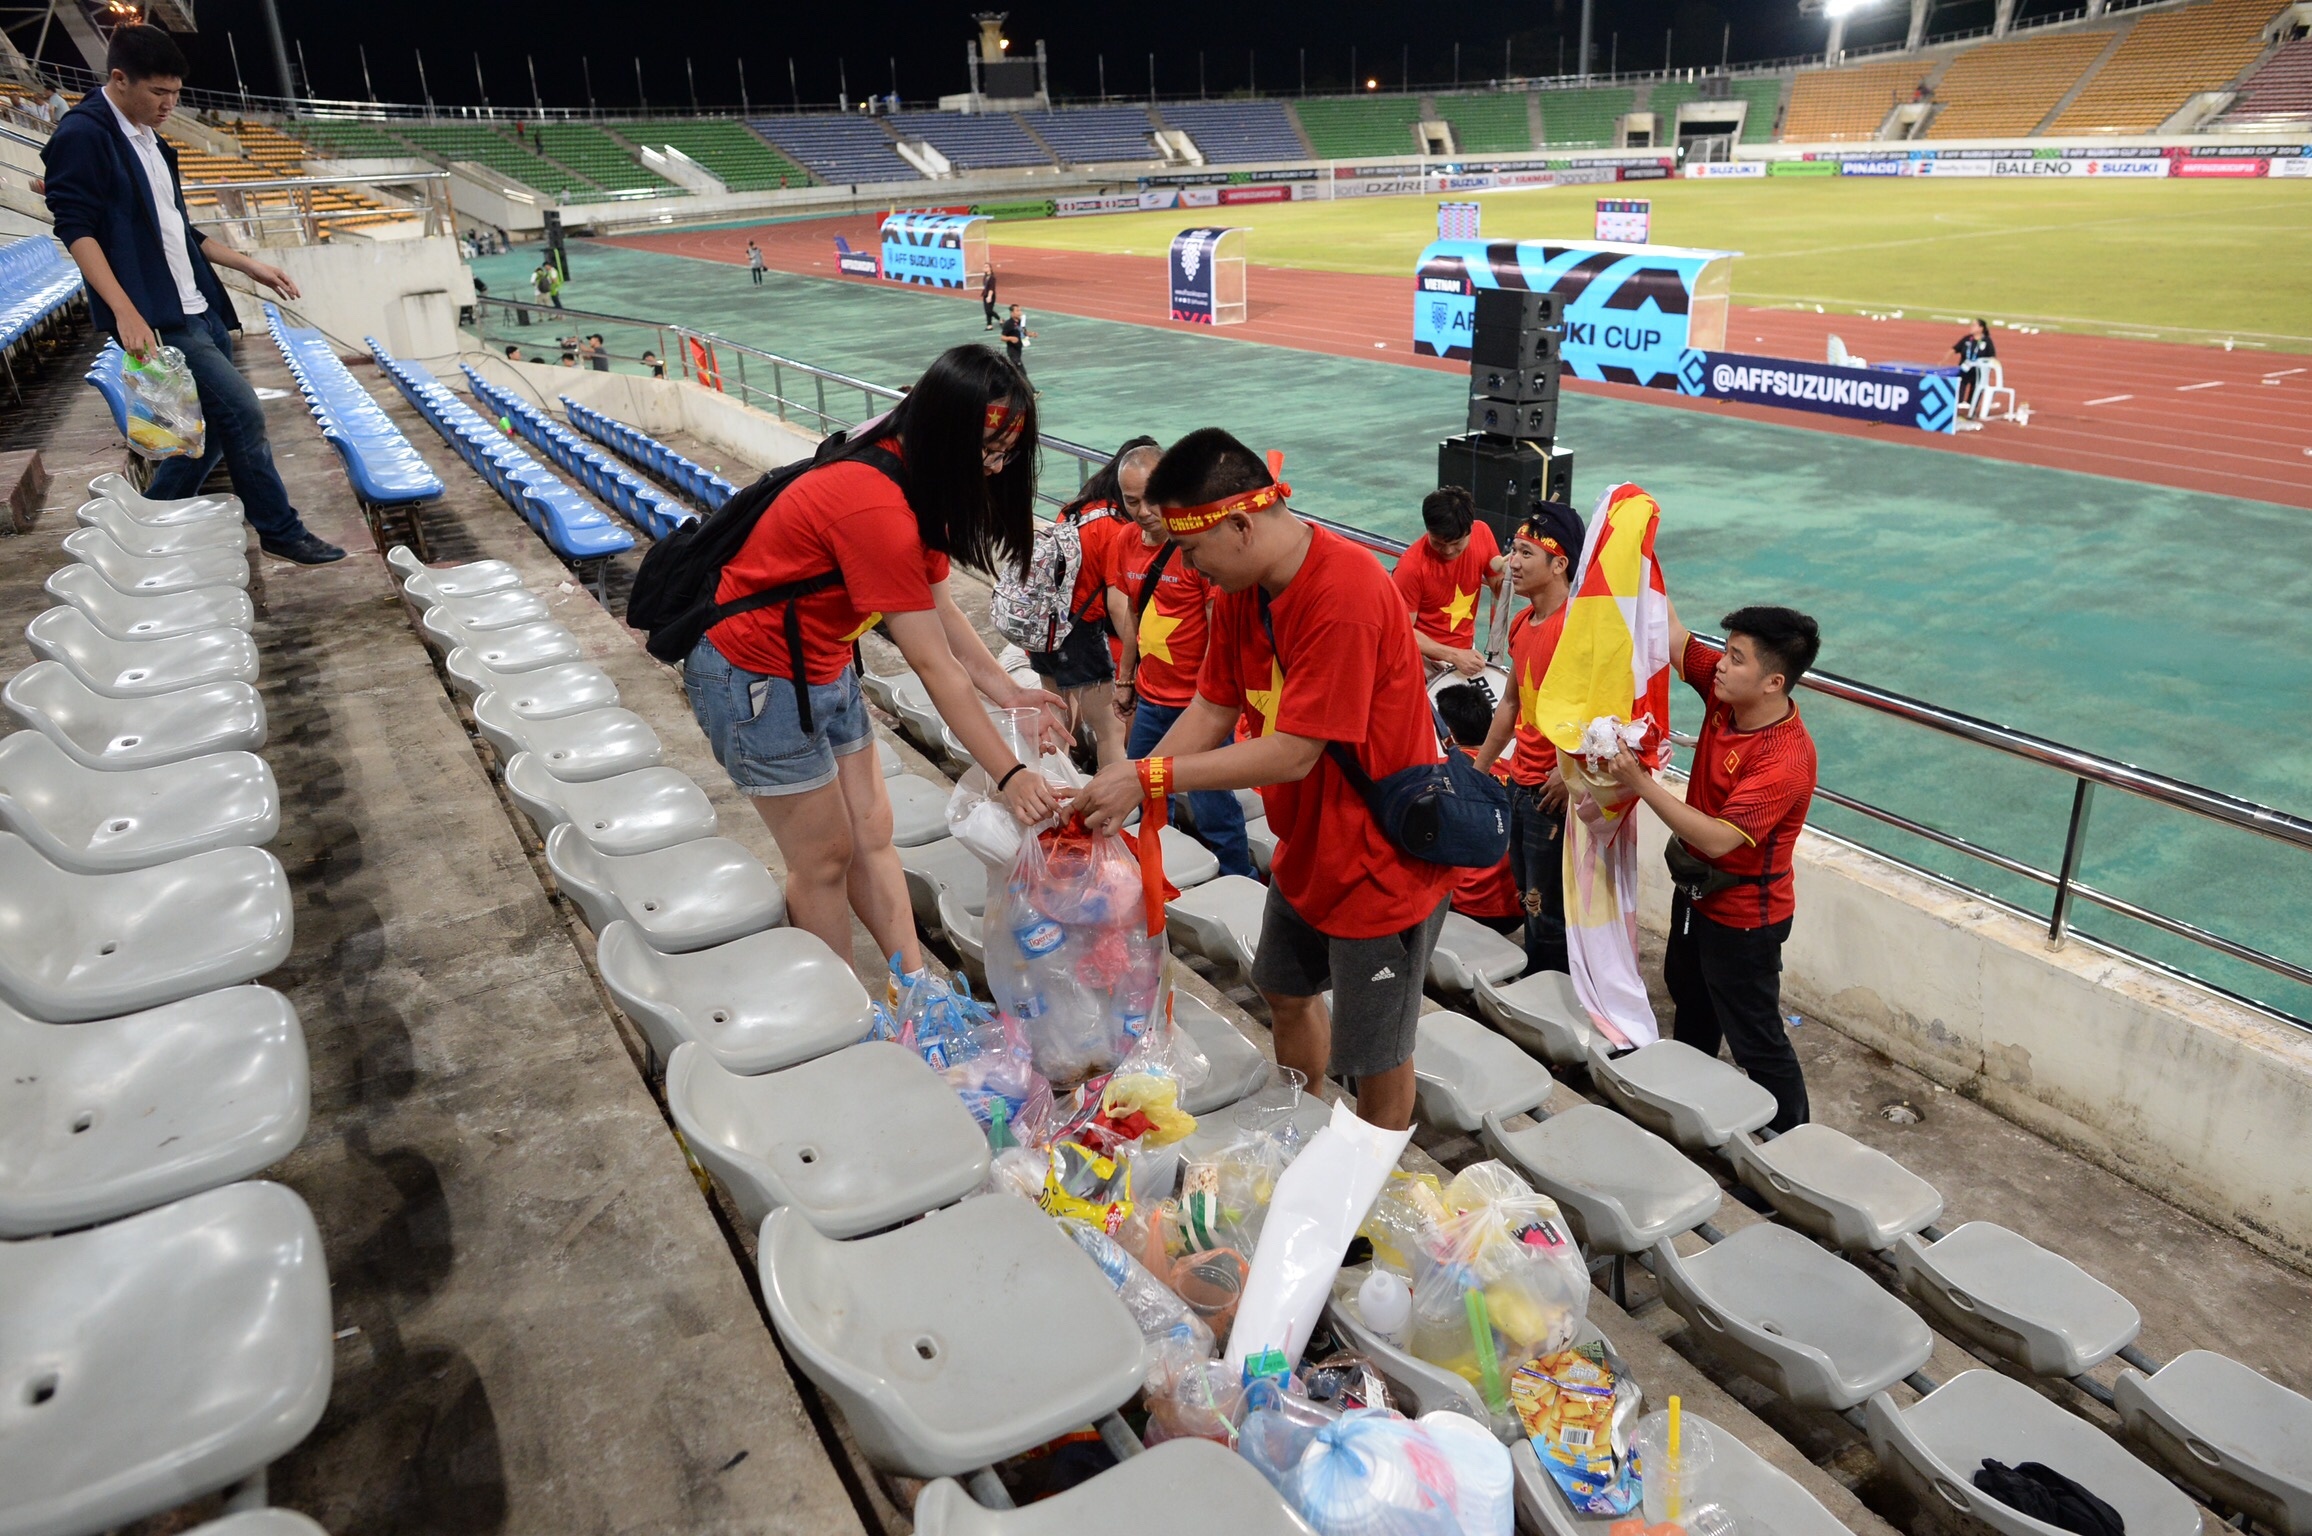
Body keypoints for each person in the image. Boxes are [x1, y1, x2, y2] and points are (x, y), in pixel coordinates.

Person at [1075, 429, 1455, 1132]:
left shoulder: (1346, 591)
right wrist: (1134, 780)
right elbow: (1213, 706)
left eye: (1193, 550)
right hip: (1306, 845)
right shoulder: (1241, 592)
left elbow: (1295, 753)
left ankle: (1368, 1173)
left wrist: (1150, 774)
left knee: (1376, 1054)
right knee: (1283, 988)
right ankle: (1300, 1115)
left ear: (1241, 526)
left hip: (1379, 862)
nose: (1188, 566)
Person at [686, 344, 1064, 975]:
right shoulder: (874, 504)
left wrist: (1010, 692)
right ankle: (842, 1011)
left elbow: (940, 607)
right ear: (944, 432)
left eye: (1006, 454)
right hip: (755, 674)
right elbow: (933, 664)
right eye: (987, 452)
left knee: (871, 833)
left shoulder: (916, 477)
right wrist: (1009, 774)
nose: (996, 469)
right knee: (824, 858)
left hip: (824, 662)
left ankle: (914, 990)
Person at [40, 26, 344, 565]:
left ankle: (151, 518)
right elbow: (76, 229)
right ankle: (280, 529)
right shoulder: (85, 133)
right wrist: (126, 312)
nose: (169, 105)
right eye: (158, 92)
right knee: (244, 413)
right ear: (119, 79)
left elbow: (178, 229)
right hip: (160, 317)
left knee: (213, 431)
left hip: (198, 307)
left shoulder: (150, 139)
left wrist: (249, 265)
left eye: (176, 93)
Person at [1601, 603, 1820, 1133]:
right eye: (1725, 651)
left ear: (1773, 682)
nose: (1721, 664)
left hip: (1744, 917)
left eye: (1737, 658)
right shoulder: (1725, 697)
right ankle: (1689, 1107)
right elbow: (1675, 637)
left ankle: (1791, 1143)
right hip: (1696, 893)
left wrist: (1640, 782)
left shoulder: (1785, 757)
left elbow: (1719, 839)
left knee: (1756, 1037)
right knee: (1689, 997)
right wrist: (1640, 556)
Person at [1103, 439, 1253, 878]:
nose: (1144, 511)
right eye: (1132, 501)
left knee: (1214, 808)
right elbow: (1134, 612)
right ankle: (1159, 876)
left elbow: (1217, 629)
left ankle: (1238, 879)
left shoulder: (1198, 548)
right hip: (1151, 701)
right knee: (1146, 797)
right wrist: (1125, 678)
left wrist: (1208, 701)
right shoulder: (1125, 541)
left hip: (1197, 706)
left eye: (1152, 498)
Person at [1471, 502, 1585, 976]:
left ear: (1559, 565)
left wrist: (1571, 772)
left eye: (1525, 553)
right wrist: (1479, 770)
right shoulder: (1522, 623)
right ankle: (1537, 986)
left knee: (1549, 910)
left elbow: (1604, 711)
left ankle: (1553, 993)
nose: (1511, 563)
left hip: (1551, 793)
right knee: (1528, 896)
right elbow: (1511, 704)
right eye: (1512, 550)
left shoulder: (1577, 631)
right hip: (1520, 784)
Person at [1023, 440, 1137, 768]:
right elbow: (1117, 605)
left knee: (1058, 716)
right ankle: (1112, 795)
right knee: (1111, 730)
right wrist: (1138, 653)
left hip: (1045, 624)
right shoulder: (1115, 527)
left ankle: (1050, 780)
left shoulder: (1074, 509)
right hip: (1081, 633)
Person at [1436, 682, 1522, 935]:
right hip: (1516, 911)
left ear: (1449, 732)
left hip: (1468, 909)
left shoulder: (1441, 772)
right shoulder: (1515, 771)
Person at [1393, 485, 1504, 680]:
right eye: (1438, 543)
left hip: (1464, 653)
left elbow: (1499, 590)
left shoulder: (1482, 533)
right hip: (1424, 660)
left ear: (1471, 529)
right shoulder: (1411, 567)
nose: (1448, 551)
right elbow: (1401, 632)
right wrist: (1453, 655)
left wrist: (1516, 573)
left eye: (1457, 543)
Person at [1949, 317, 1995, 412]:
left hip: (1978, 371)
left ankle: (1971, 409)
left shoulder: (1987, 341)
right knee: (1959, 387)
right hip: (1964, 369)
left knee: (1975, 389)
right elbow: (1954, 349)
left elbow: (1991, 357)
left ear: (1981, 328)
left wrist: (1987, 368)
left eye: (1974, 325)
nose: (1971, 327)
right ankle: (1957, 406)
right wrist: (1943, 361)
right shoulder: (1967, 339)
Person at [1000, 303, 1036, 381]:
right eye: (1017, 311)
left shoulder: (1020, 322)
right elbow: (1002, 337)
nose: (1020, 312)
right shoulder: (1008, 324)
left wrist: (1031, 334)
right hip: (1012, 351)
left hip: (1018, 350)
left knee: (1014, 372)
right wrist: (1010, 338)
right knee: (1022, 372)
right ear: (1012, 313)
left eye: (1020, 310)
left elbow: (1023, 332)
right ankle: (1029, 388)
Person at [981, 264, 999, 329]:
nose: (985, 268)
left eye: (986, 267)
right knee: (987, 311)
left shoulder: (992, 278)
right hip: (985, 295)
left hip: (991, 296)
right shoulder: (985, 277)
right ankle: (989, 325)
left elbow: (992, 288)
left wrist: (989, 296)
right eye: (984, 267)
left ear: (990, 268)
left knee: (989, 310)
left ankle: (999, 319)